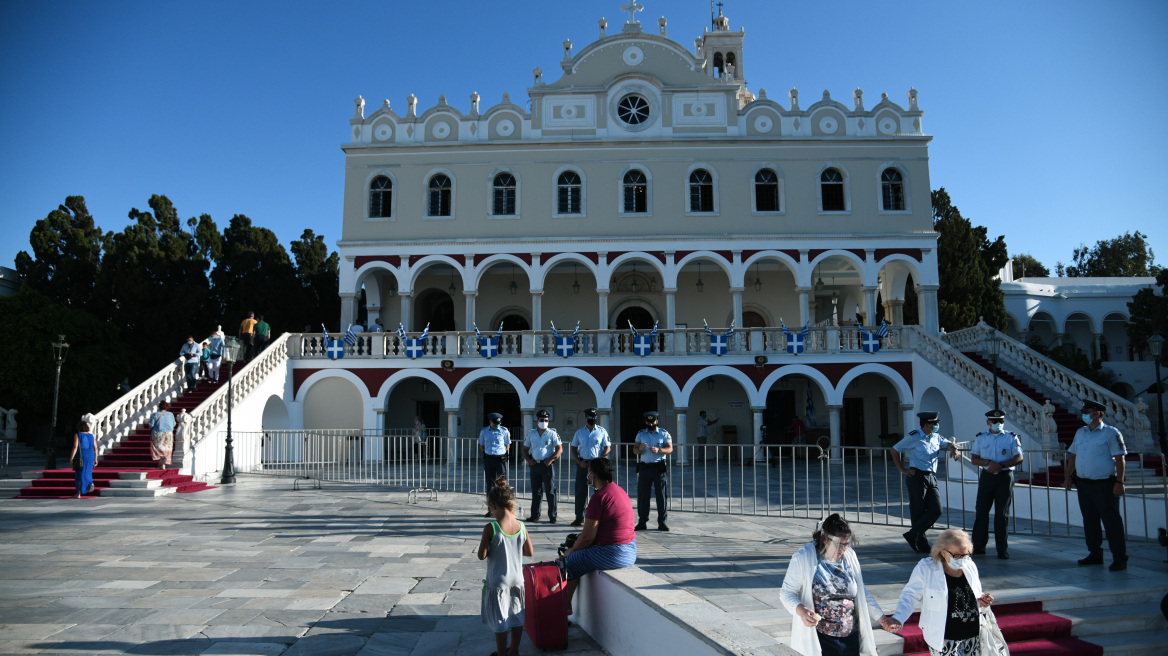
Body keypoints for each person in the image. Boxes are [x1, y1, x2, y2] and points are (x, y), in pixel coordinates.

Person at [780, 514, 896, 655]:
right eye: (838, 544)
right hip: (821, 638)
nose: (842, 549)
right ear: (825, 539)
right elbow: (786, 593)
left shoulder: (850, 557)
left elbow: (861, 591)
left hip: (850, 637)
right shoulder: (803, 558)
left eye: (846, 544)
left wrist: (882, 618)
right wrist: (801, 611)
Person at [886, 528, 995, 656]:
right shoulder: (926, 568)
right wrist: (898, 618)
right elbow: (910, 595)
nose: (962, 559)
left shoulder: (969, 566)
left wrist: (982, 600)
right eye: (957, 555)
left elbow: (975, 594)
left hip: (973, 636)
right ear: (943, 552)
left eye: (965, 555)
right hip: (945, 639)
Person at [560, 457, 637, 615]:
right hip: (630, 550)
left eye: (589, 473)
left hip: (614, 553)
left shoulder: (598, 498)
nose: (587, 477)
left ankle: (564, 608)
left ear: (594, 475)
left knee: (568, 563)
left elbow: (588, 537)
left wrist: (572, 550)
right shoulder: (619, 490)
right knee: (578, 552)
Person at [1064, 399, 1129, 571]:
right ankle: (1094, 553)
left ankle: (1119, 557)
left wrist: (1120, 482)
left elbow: (1120, 458)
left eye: (1088, 411)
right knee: (1090, 520)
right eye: (1084, 411)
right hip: (1084, 484)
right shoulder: (1081, 432)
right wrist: (1068, 476)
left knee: (1111, 521)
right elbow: (1073, 456)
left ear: (1097, 413)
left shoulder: (1111, 433)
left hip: (1104, 484)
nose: (1084, 414)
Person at [477, 476, 534, 656]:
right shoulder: (521, 526)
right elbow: (529, 552)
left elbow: (481, 555)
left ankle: (502, 653)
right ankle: (514, 650)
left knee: (500, 620)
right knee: (517, 617)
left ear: (493, 505)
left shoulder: (491, 527)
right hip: (517, 579)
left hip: (498, 581)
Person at [891, 411, 959, 554]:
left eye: (937, 423)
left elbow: (947, 444)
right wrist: (902, 469)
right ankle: (920, 543)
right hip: (917, 476)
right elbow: (895, 450)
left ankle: (913, 534)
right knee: (918, 511)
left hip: (931, 476)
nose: (936, 425)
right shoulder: (914, 437)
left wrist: (954, 449)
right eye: (934, 423)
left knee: (936, 509)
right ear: (926, 424)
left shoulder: (936, 437)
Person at [969, 409, 1023, 560]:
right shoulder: (981, 438)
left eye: (1000, 421)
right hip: (987, 476)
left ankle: (1002, 549)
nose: (997, 424)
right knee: (981, 511)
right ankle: (978, 546)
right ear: (988, 422)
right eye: (994, 421)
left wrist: (1002, 465)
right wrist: (988, 463)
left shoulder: (1011, 437)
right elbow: (974, 458)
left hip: (1004, 477)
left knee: (1002, 514)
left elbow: (1019, 457)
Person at [570, 407, 611, 527]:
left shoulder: (602, 431)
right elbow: (573, 447)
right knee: (580, 492)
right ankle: (579, 517)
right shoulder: (579, 432)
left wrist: (601, 458)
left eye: (594, 417)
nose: (592, 419)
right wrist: (579, 461)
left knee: (599, 492)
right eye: (590, 417)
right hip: (583, 464)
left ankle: (599, 518)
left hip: (596, 464)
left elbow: (607, 447)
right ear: (585, 418)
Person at [634, 410, 673, 531]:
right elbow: (634, 450)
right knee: (643, 496)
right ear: (645, 421)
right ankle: (642, 521)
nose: (650, 424)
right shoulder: (641, 434)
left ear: (657, 421)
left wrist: (659, 450)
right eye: (648, 422)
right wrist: (639, 448)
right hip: (645, 467)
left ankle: (662, 522)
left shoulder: (663, 433)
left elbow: (670, 449)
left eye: (653, 422)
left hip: (658, 467)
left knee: (661, 495)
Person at [524, 409, 562, 524]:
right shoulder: (531, 433)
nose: (544, 422)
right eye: (542, 420)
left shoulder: (552, 433)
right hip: (535, 465)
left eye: (546, 420)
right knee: (536, 491)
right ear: (537, 420)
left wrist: (551, 459)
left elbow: (559, 449)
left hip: (547, 465)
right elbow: (525, 449)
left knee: (550, 491)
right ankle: (535, 515)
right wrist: (529, 460)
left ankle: (552, 516)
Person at [478, 412, 511, 517]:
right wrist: (487, 454)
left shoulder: (504, 431)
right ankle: (491, 509)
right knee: (490, 485)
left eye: (498, 423)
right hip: (489, 459)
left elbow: (507, 444)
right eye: (495, 423)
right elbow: (482, 445)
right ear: (490, 422)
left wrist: (502, 454)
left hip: (500, 459)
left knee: (502, 484)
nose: (497, 425)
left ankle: (504, 508)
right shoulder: (484, 432)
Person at [69, 420, 97, 499]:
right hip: (90, 455)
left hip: (81, 456)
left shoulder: (78, 435)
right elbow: (96, 448)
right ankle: (90, 483)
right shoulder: (91, 436)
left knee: (79, 473)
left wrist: (71, 458)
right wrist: (96, 458)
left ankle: (78, 493)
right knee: (88, 472)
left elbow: (75, 447)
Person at [148, 401, 176, 469]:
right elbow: (174, 424)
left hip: (158, 432)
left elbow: (151, 425)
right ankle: (163, 464)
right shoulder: (171, 414)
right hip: (168, 433)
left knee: (157, 447)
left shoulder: (155, 414)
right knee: (167, 447)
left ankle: (161, 459)